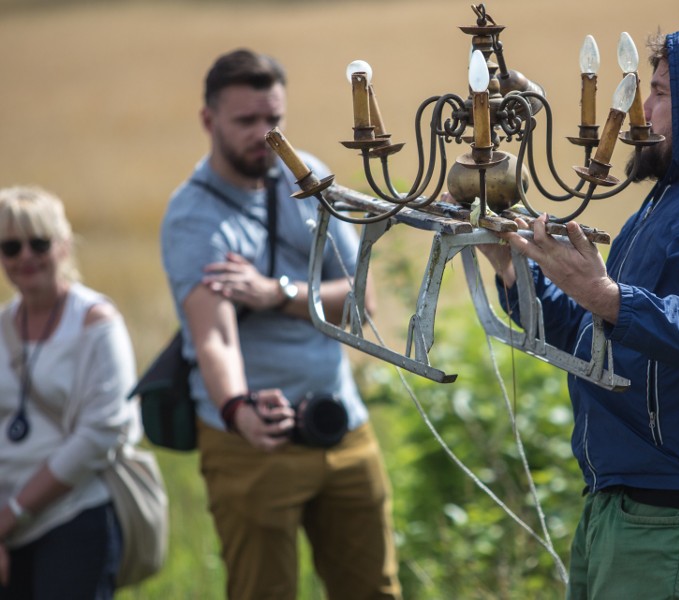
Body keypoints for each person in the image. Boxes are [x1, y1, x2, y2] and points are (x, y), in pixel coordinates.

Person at [478, 31, 679, 599]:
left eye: (657, 93)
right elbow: (596, 339)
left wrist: (610, 296)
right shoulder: (662, 207)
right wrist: (515, 268)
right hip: (621, 510)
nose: (639, 110)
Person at [160, 48, 402, 600]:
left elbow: (360, 301)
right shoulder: (194, 217)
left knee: (376, 590)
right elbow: (214, 336)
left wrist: (277, 293)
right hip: (251, 441)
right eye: (246, 121)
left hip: (340, 423)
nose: (264, 135)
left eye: (274, 120)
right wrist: (238, 409)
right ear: (208, 121)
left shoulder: (309, 176)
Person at [0, 186, 139, 599]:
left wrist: (13, 514)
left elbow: (102, 432)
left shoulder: (96, 322)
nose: (25, 256)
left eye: (39, 243)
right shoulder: (3, 325)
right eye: (10, 246)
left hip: (74, 518)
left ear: (63, 246)